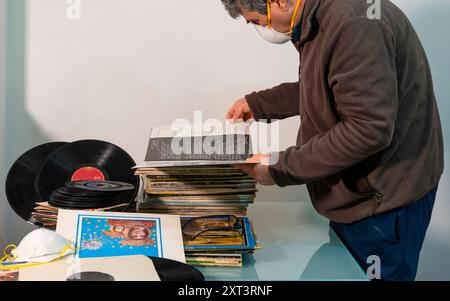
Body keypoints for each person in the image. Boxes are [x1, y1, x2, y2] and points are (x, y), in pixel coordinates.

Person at [221, 0, 444, 280]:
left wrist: (278, 167)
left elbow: (367, 129)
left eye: (255, 20)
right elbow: (332, 84)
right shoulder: (321, 13)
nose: (260, 29)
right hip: (362, 191)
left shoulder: (354, 24)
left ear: (277, 2)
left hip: (385, 200)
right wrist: (259, 103)